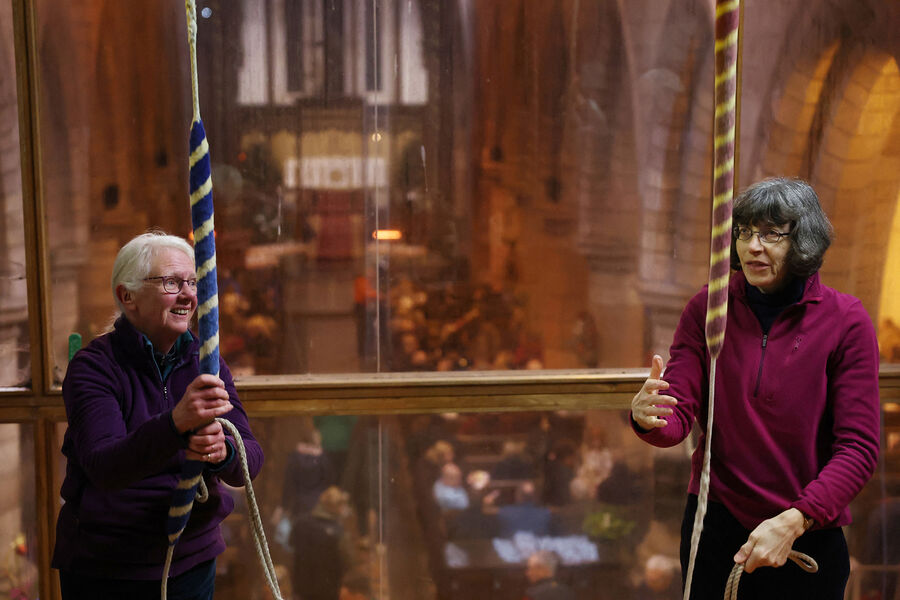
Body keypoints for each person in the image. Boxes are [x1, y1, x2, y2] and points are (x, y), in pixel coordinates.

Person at [630, 178, 880, 599]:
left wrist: (797, 519)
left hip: (807, 529)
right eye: (744, 232)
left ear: (804, 240)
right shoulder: (708, 308)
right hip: (716, 525)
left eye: (770, 234)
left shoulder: (846, 321)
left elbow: (858, 448)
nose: (752, 247)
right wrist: (648, 415)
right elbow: (677, 417)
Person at [52, 232, 264, 600]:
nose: (188, 295)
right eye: (170, 282)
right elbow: (105, 466)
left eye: (191, 282)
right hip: (107, 567)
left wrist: (223, 451)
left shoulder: (208, 363)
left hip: (190, 559)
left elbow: (251, 458)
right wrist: (176, 424)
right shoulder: (94, 368)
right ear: (127, 296)